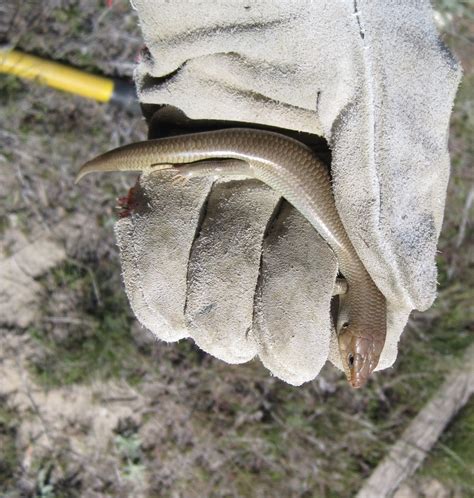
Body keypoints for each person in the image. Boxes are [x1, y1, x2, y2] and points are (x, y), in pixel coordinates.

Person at [111, 1, 460, 386]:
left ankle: (195, 161)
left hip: (288, 157)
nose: (351, 368)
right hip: (272, 160)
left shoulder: (362, 277)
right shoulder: (347, 281)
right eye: (351, 358)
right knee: (236, 164)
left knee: (241, 161)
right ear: (346, 321)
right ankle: (193, 164)